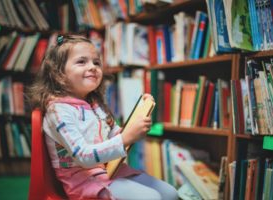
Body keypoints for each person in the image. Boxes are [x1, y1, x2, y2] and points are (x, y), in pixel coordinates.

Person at [28, 34, 178, 200]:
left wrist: (137, 121)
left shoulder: (95, 104)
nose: (93, 67)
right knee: (152, 198)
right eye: (81, 61)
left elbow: (114, 134)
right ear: (58, 73)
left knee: (170, 193)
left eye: (96, 62)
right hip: (84, 181)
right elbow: (83, 156)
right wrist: (125, 138)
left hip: (111, 170)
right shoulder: (58, 111)